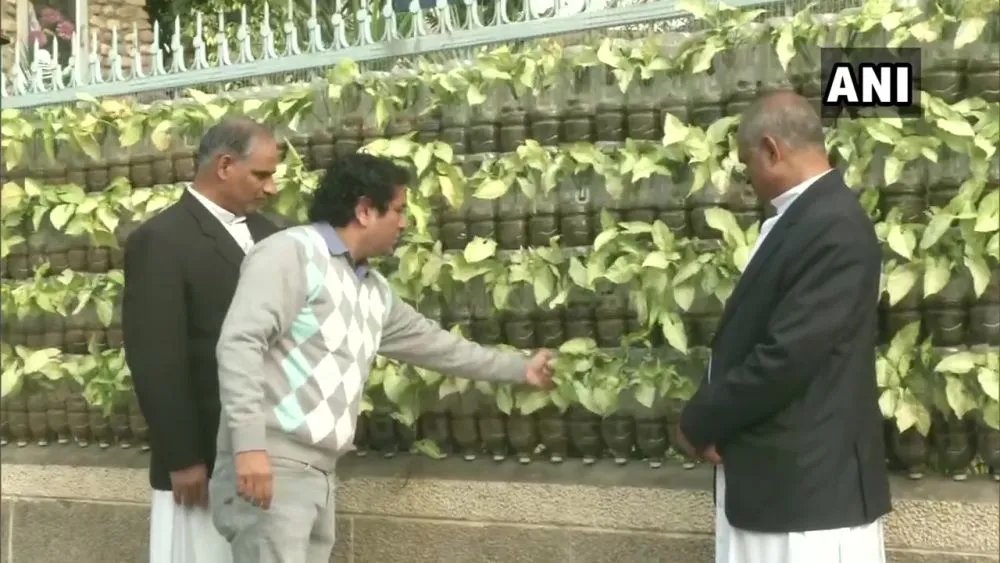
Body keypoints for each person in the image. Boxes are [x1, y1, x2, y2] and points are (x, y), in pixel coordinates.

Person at [209, 152, 555, 563]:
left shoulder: (372, 290)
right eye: (398, 211)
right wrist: (249, 448)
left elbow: (438, 346)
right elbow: (239, 342)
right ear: (364, 210)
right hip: (272, 463)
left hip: (317, 474)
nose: (404, 223)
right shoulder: (290, 254)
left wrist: (522, 369)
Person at [674, 91, 891, 563]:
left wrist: (699, 422)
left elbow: (785, 357)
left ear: (772, 150)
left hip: (808, 505)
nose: (747, 179)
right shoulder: (806, 218)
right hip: (783, 491)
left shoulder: (834, 227)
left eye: (747, 161)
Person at [122, 116, 283, 563]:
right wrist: (183, 457)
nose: (270, 188)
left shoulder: (274, 236)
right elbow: (156, 358)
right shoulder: (160, 241)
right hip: (202, 468)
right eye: (262, 175)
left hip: (275, 457)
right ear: (226, 165)